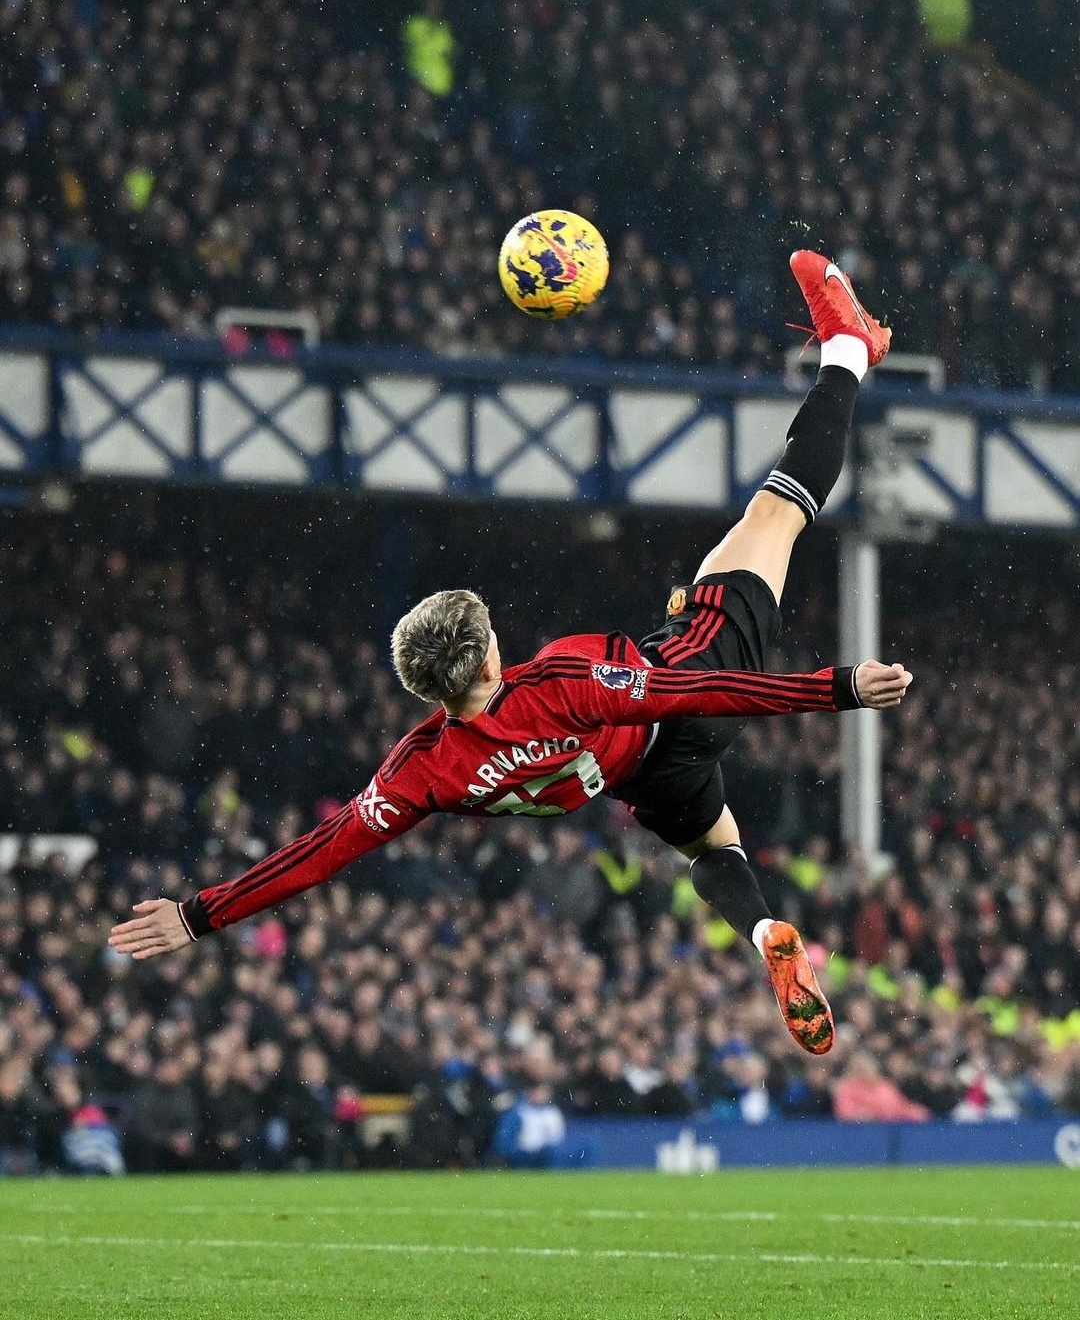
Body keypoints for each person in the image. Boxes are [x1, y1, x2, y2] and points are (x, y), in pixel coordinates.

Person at [109, 251, 907, 1055]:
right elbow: (685, 695)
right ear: (490, 655)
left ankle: (765, 925)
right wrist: (839, 687)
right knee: (778, 511)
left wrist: (197, 914)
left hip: (638, 777)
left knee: (714, 845)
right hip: (685, 691)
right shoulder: (558, 679)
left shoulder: (422, 768)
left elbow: (319, 853)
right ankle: (847, 347)